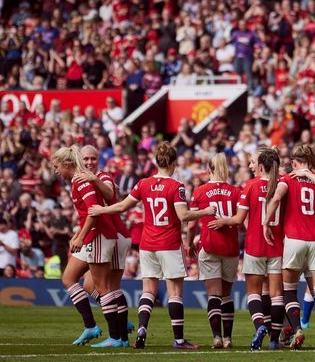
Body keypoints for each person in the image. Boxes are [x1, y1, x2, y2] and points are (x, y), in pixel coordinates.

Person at [88, 142, 215, 350]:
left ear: (157, 162)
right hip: (169, 243)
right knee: (174, 292)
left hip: (147, 244)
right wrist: (206, 211)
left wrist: (100, 210)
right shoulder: (176, 186)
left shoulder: (143, 183)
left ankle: (141, 329)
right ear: (173, 163)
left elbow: (121, 206)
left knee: (148, 290)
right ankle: (179, 340)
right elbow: (183, 215)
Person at [264, 144, 315, 351]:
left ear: (297, 163)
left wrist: (265, 223)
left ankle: (297, 329)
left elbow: (276, 198)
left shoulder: (288, 179)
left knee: (289, 290)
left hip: (295, 239)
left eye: (292, 162)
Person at [209, 147, 284, 351]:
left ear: (261, 166)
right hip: (277, 246)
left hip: (255, 245)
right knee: (277, 295)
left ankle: (260, 326)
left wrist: (222, 221)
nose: (251, 166)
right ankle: (275, 340)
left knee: (253, 294)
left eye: (253, 163)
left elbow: (239, 219)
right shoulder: (282, 185)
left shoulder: (250, 186)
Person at [52, 146, 121, 348]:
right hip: (93, 235)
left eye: (57, 166)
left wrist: (81, 237)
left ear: (66, 165)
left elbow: (94, 212)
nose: (56, 171)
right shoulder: (77, 180)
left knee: (102, 288)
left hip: (98, 235)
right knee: (69, 278)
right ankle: (92, 326)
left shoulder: (81, 181)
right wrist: (78, 235)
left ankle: (116, 336)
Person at [77, 145, 134, 345]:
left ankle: (117, 331)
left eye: (93, 158)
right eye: (86, 159)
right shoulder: (81, 178)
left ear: (98, 159)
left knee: (106, 286)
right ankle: (121, 324)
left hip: (113, 234)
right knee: (90, 284)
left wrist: (94, 179)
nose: (89, 162)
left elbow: (110, 194)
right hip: (111, 234)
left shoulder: (103, 176)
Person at [186, 153, 240, 349]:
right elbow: (240, 221)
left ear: (209, 170)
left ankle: (216, 336)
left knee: (214, 295)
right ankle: (228, 338)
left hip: (209, 245)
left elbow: (191, 224)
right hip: (231, 246)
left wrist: (189, 242)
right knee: (227, 295)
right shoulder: (235, 191)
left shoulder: (200, 191)